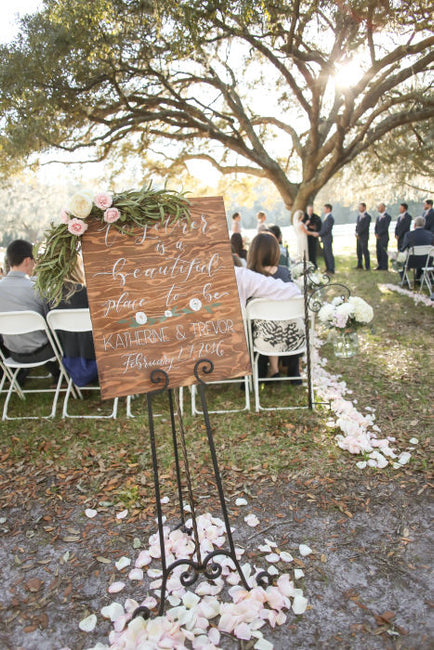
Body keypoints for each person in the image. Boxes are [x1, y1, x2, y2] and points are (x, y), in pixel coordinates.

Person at [0, 239, 59, 382]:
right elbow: (51, 323)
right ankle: (60, 375)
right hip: (44, 353)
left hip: (12, 354)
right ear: (27, 260)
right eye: (34, 260)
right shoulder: (37, 288)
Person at [246, 232, 302, 382]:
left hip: (263, 340)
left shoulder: (250, 276)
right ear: (276, 252)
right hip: (293, 336)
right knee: (286, 320)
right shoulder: (285, 272)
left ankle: (271, 369)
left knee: (255, 323)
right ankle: (292, 372)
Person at [53, 256, 98, 386]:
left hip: (69, 357)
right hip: (98, 357)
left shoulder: (50, 298)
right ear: (78, 268)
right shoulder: (89, 293)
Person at [310, 204, 335, 274]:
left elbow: (327, 229)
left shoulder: (330, 218)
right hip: (324, 238)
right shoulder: (326, 217)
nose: (323, 210)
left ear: (328, 209)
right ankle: (328, 268)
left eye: (324, 208)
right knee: (325, 254)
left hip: (327, 238)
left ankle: (331, 269)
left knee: (329, 254)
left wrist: (318, 233)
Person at [374, 202, 391, 270]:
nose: (378, 208)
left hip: (384, 237)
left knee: (383, 251)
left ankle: (384, 266)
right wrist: (376, 233)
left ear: (383, 208)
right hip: (378, 237)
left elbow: (385, 227)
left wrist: (379, 234)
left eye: (379, 207)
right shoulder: (378, 217)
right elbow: (376, 226)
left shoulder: (387, 217)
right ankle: (379, 265)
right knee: (378, 251)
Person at [355, 202, 371, 270]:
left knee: (365, 251)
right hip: (358, 237)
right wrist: (356, 232)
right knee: (358, 251)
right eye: (359, 207)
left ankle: (367, 266)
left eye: (361, 207)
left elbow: (365, 227)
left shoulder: (368, 216)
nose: (359, 208)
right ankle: (359, 264)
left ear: (364, 208)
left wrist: (359, 233)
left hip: (364, 236)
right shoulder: (359, 216)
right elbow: (357, 225)